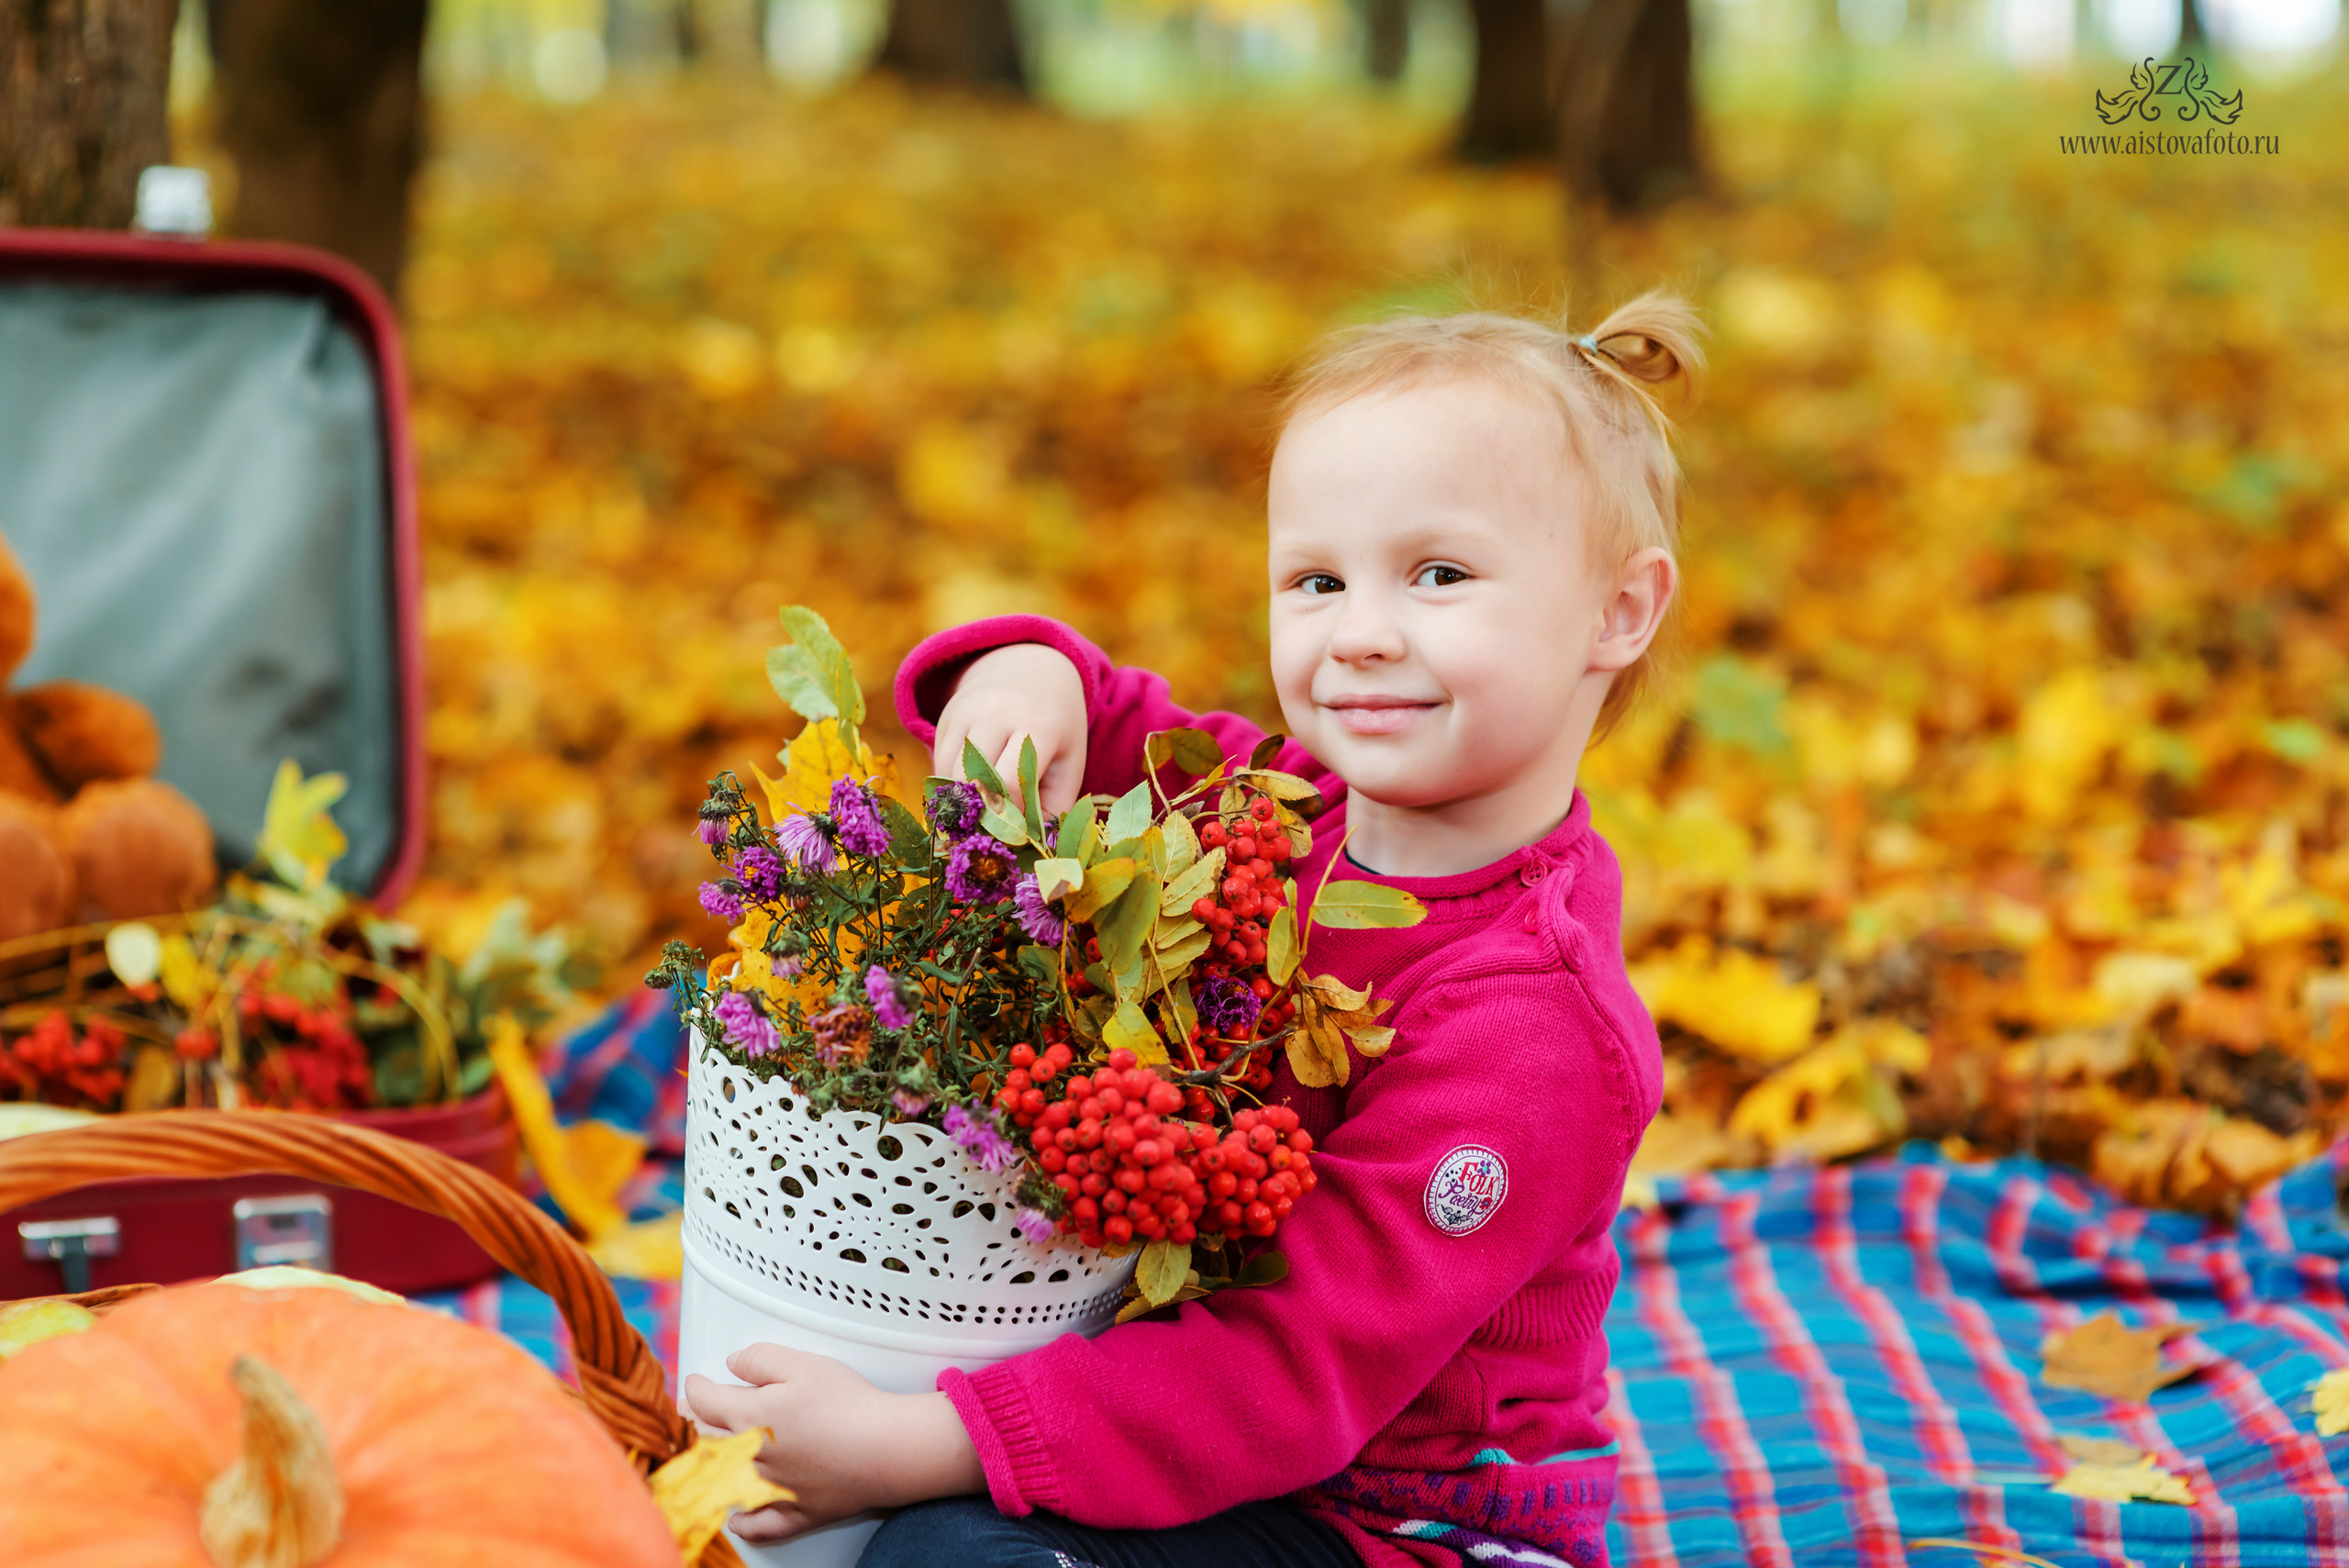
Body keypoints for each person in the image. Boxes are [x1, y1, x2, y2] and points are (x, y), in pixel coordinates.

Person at [681, 295, 1700, 1568]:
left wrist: (926, 1439)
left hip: (1404, 1523)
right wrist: (1021, 680)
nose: (1365, 631)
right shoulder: (1271, 818)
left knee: (951, 1552)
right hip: (1199, 1444)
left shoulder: (1533, 1027)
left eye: (1440, 574)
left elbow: (1293, 1365)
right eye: (1317, 580)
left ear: (1619, 610)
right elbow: (1110, 715)